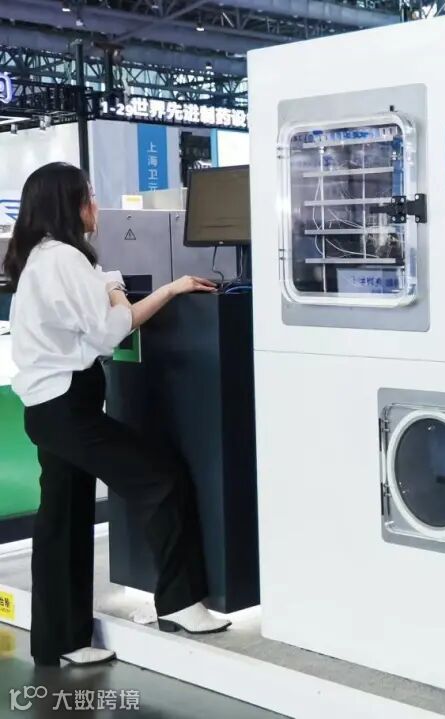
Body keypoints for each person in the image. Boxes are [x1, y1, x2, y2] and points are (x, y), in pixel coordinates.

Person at [2, 162, 229, 667]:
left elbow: (95, 316)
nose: (96, 205)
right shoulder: (64, 259)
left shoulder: (44, 257)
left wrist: (110, 286)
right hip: (66, 406)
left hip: (48, 407)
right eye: (89, 195)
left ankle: (61, 641)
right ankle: (180, 603)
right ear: (71, 204)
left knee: (62, 523)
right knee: (160, 479)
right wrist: (168, 290)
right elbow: (109, 332)